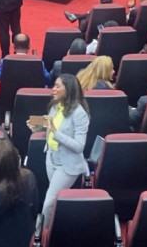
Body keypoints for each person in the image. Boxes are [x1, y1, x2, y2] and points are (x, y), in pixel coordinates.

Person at [29, 74, 89, 226]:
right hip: (51, 157)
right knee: (54, 198)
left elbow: (79, 146)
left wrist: (56, 133)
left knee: (49, 202)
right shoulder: (56, 106)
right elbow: (49, 126)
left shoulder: (80, 114)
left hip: (67, 165)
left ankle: (42, 235)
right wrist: (36, 126)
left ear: (67, 89)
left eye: (57, 86)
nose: (53, 89)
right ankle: (58, 226)